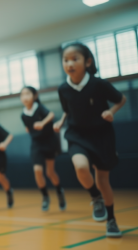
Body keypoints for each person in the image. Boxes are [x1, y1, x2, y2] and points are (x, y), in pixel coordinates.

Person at [53, 42, 126, 237]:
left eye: (74, 59)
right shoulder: (63, 89)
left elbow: (121, 99)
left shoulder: (98, 84)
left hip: (101, 135)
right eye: (65, 60)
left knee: (103, 181)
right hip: (77, 134)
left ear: (87, 62)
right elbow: (67, 110)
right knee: (81, 167)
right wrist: (61, 121)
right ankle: (95, 197)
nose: (69, 63)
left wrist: (111, 112)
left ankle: (111, 220)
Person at [20, 87, 66, 211]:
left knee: (50, 172)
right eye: (22, 95)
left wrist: (42, 123)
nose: (25, 97)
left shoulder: (39, 107)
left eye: (27, 94)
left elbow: (51, 115)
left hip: (49, 142)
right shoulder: (23, 114)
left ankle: (59, 192)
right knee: (37, 171)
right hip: (36, 144)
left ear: (34, 96)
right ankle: (45, 196)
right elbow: (27, 128)